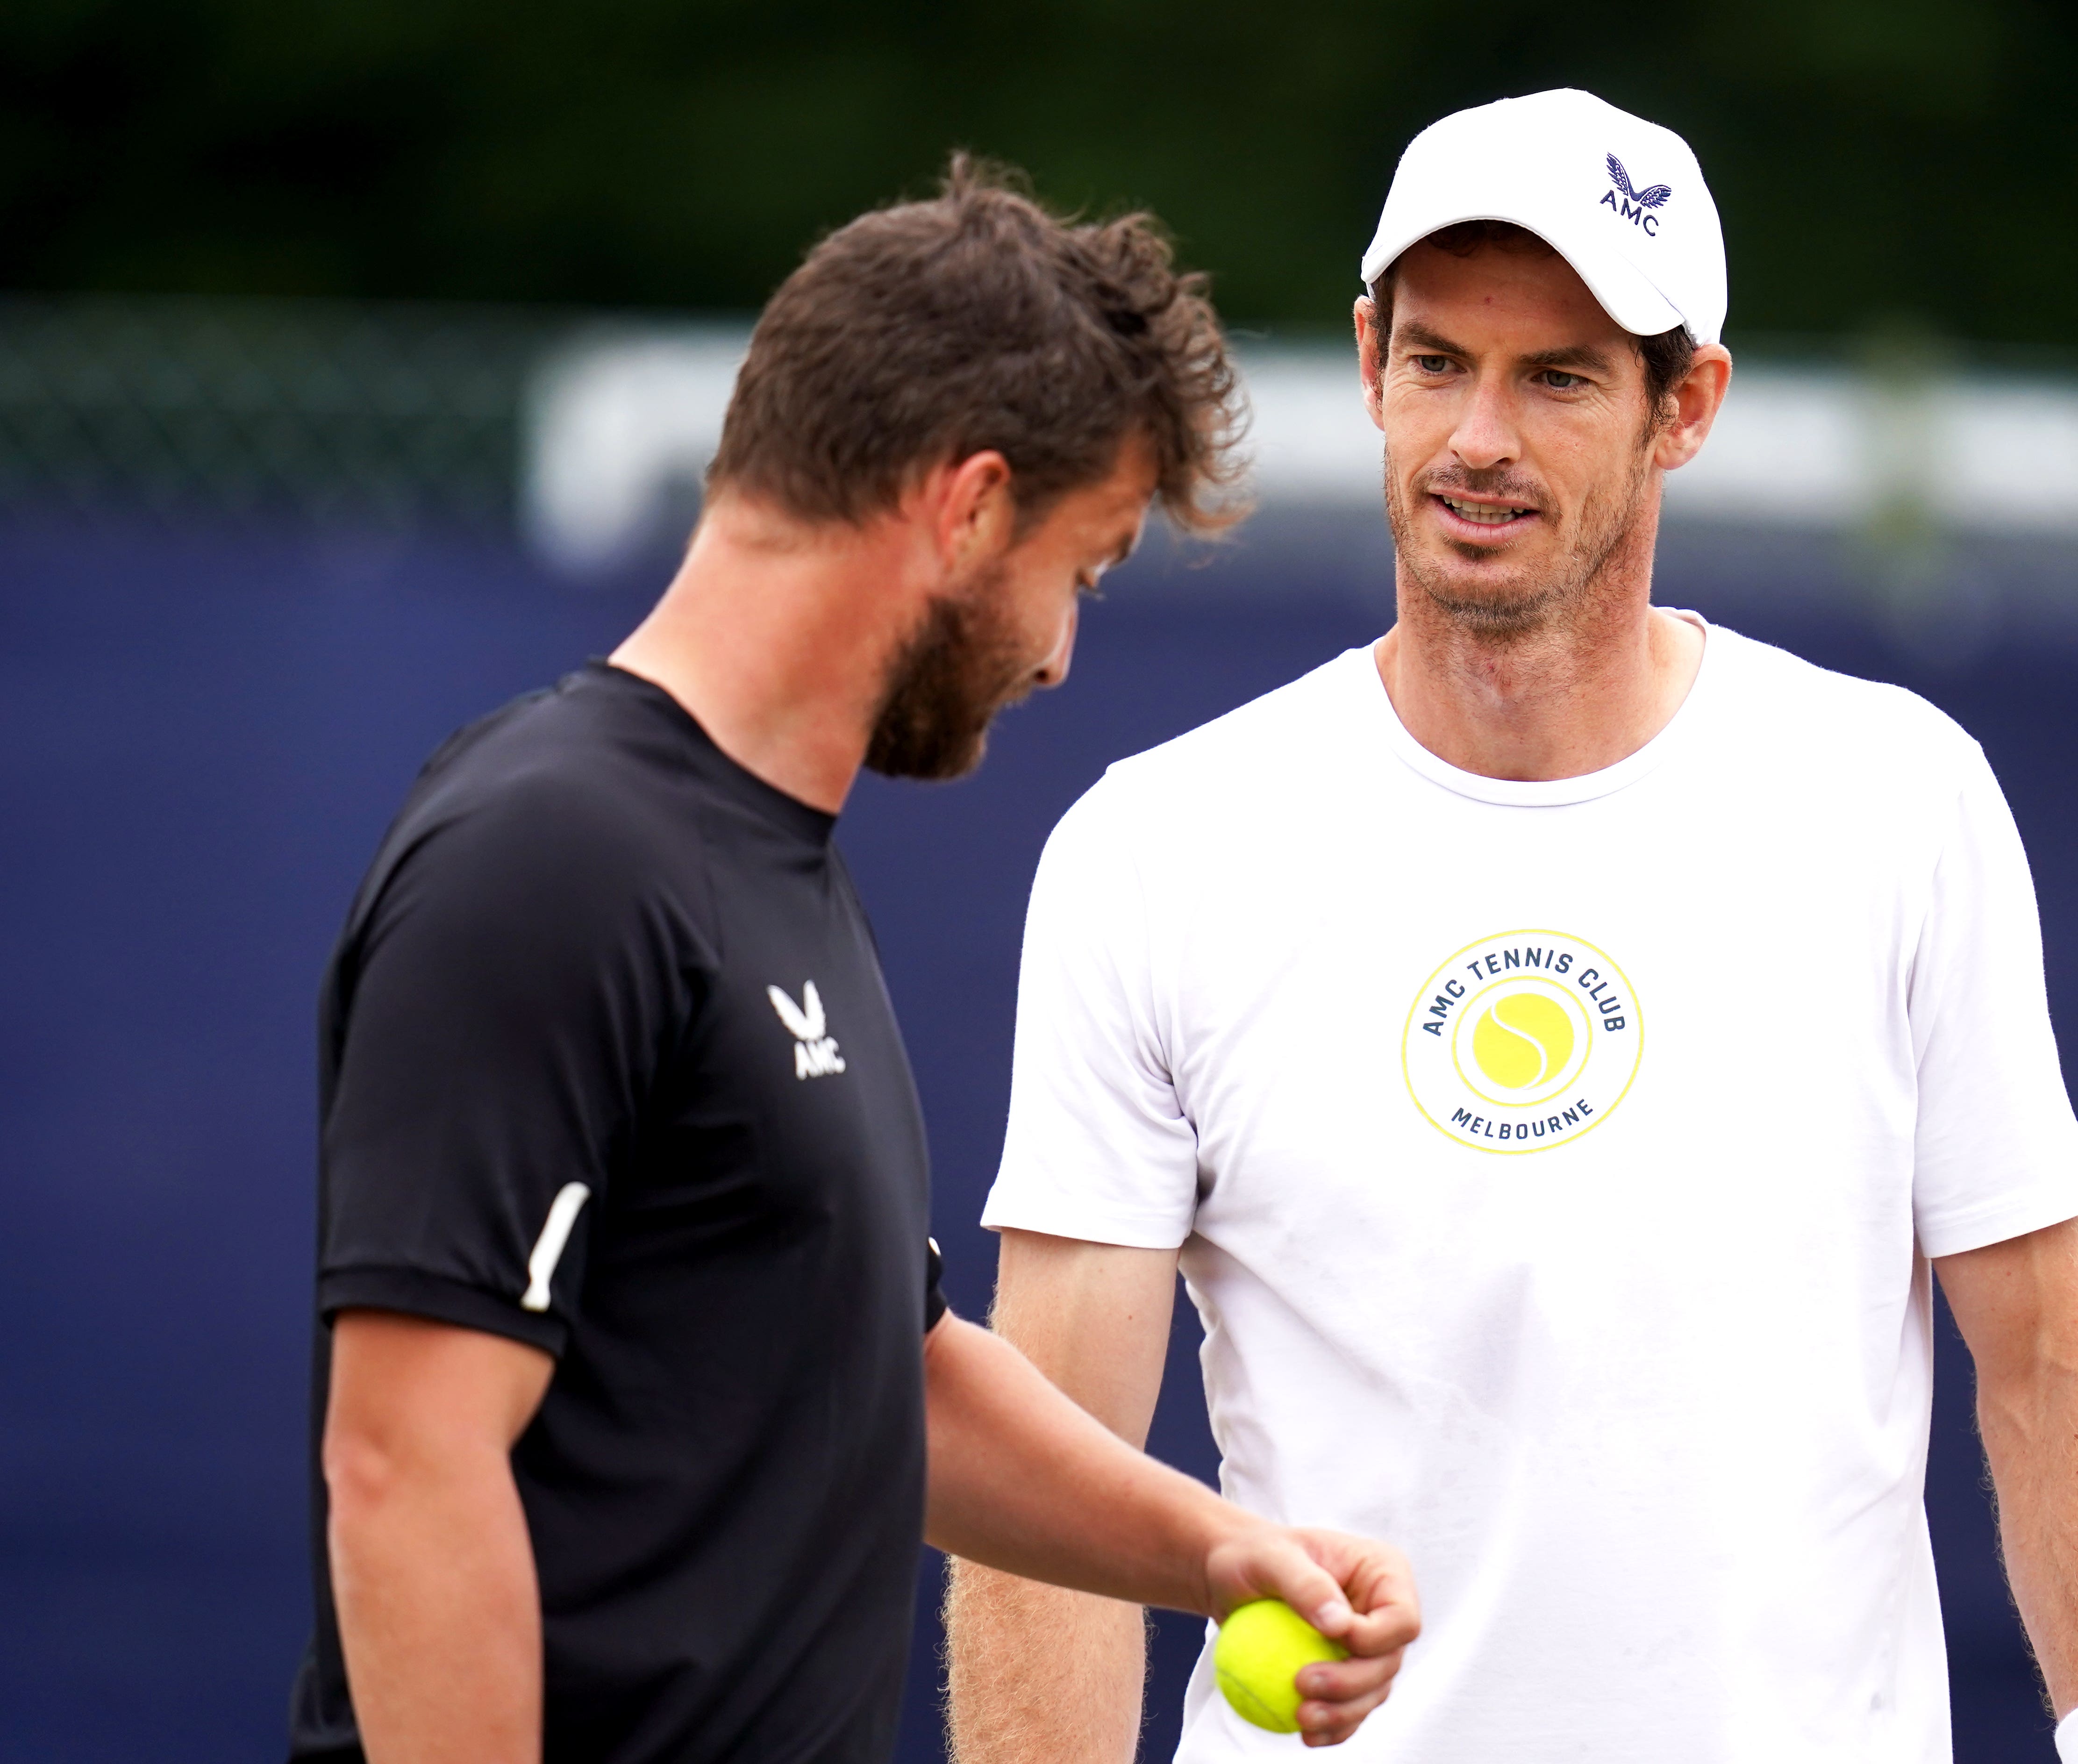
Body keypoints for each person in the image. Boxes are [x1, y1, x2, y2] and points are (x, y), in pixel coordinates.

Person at [946, 90, 2078, 1764]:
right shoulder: (1156, 849)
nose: (1479, 436)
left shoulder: (1896, 798)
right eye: (1437, 360)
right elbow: (1052, 1473)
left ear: (1686, 406)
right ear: (1367, 359)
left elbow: (2051, 1349)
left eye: (1557, 378)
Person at [287, 159, 1419, 1764]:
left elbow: (894, 1376)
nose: (1060, 649)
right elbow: (407, 1462)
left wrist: (1220, 1555)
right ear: (966, 508)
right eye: (1077, 572)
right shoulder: (550, 859)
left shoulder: (764, 869)